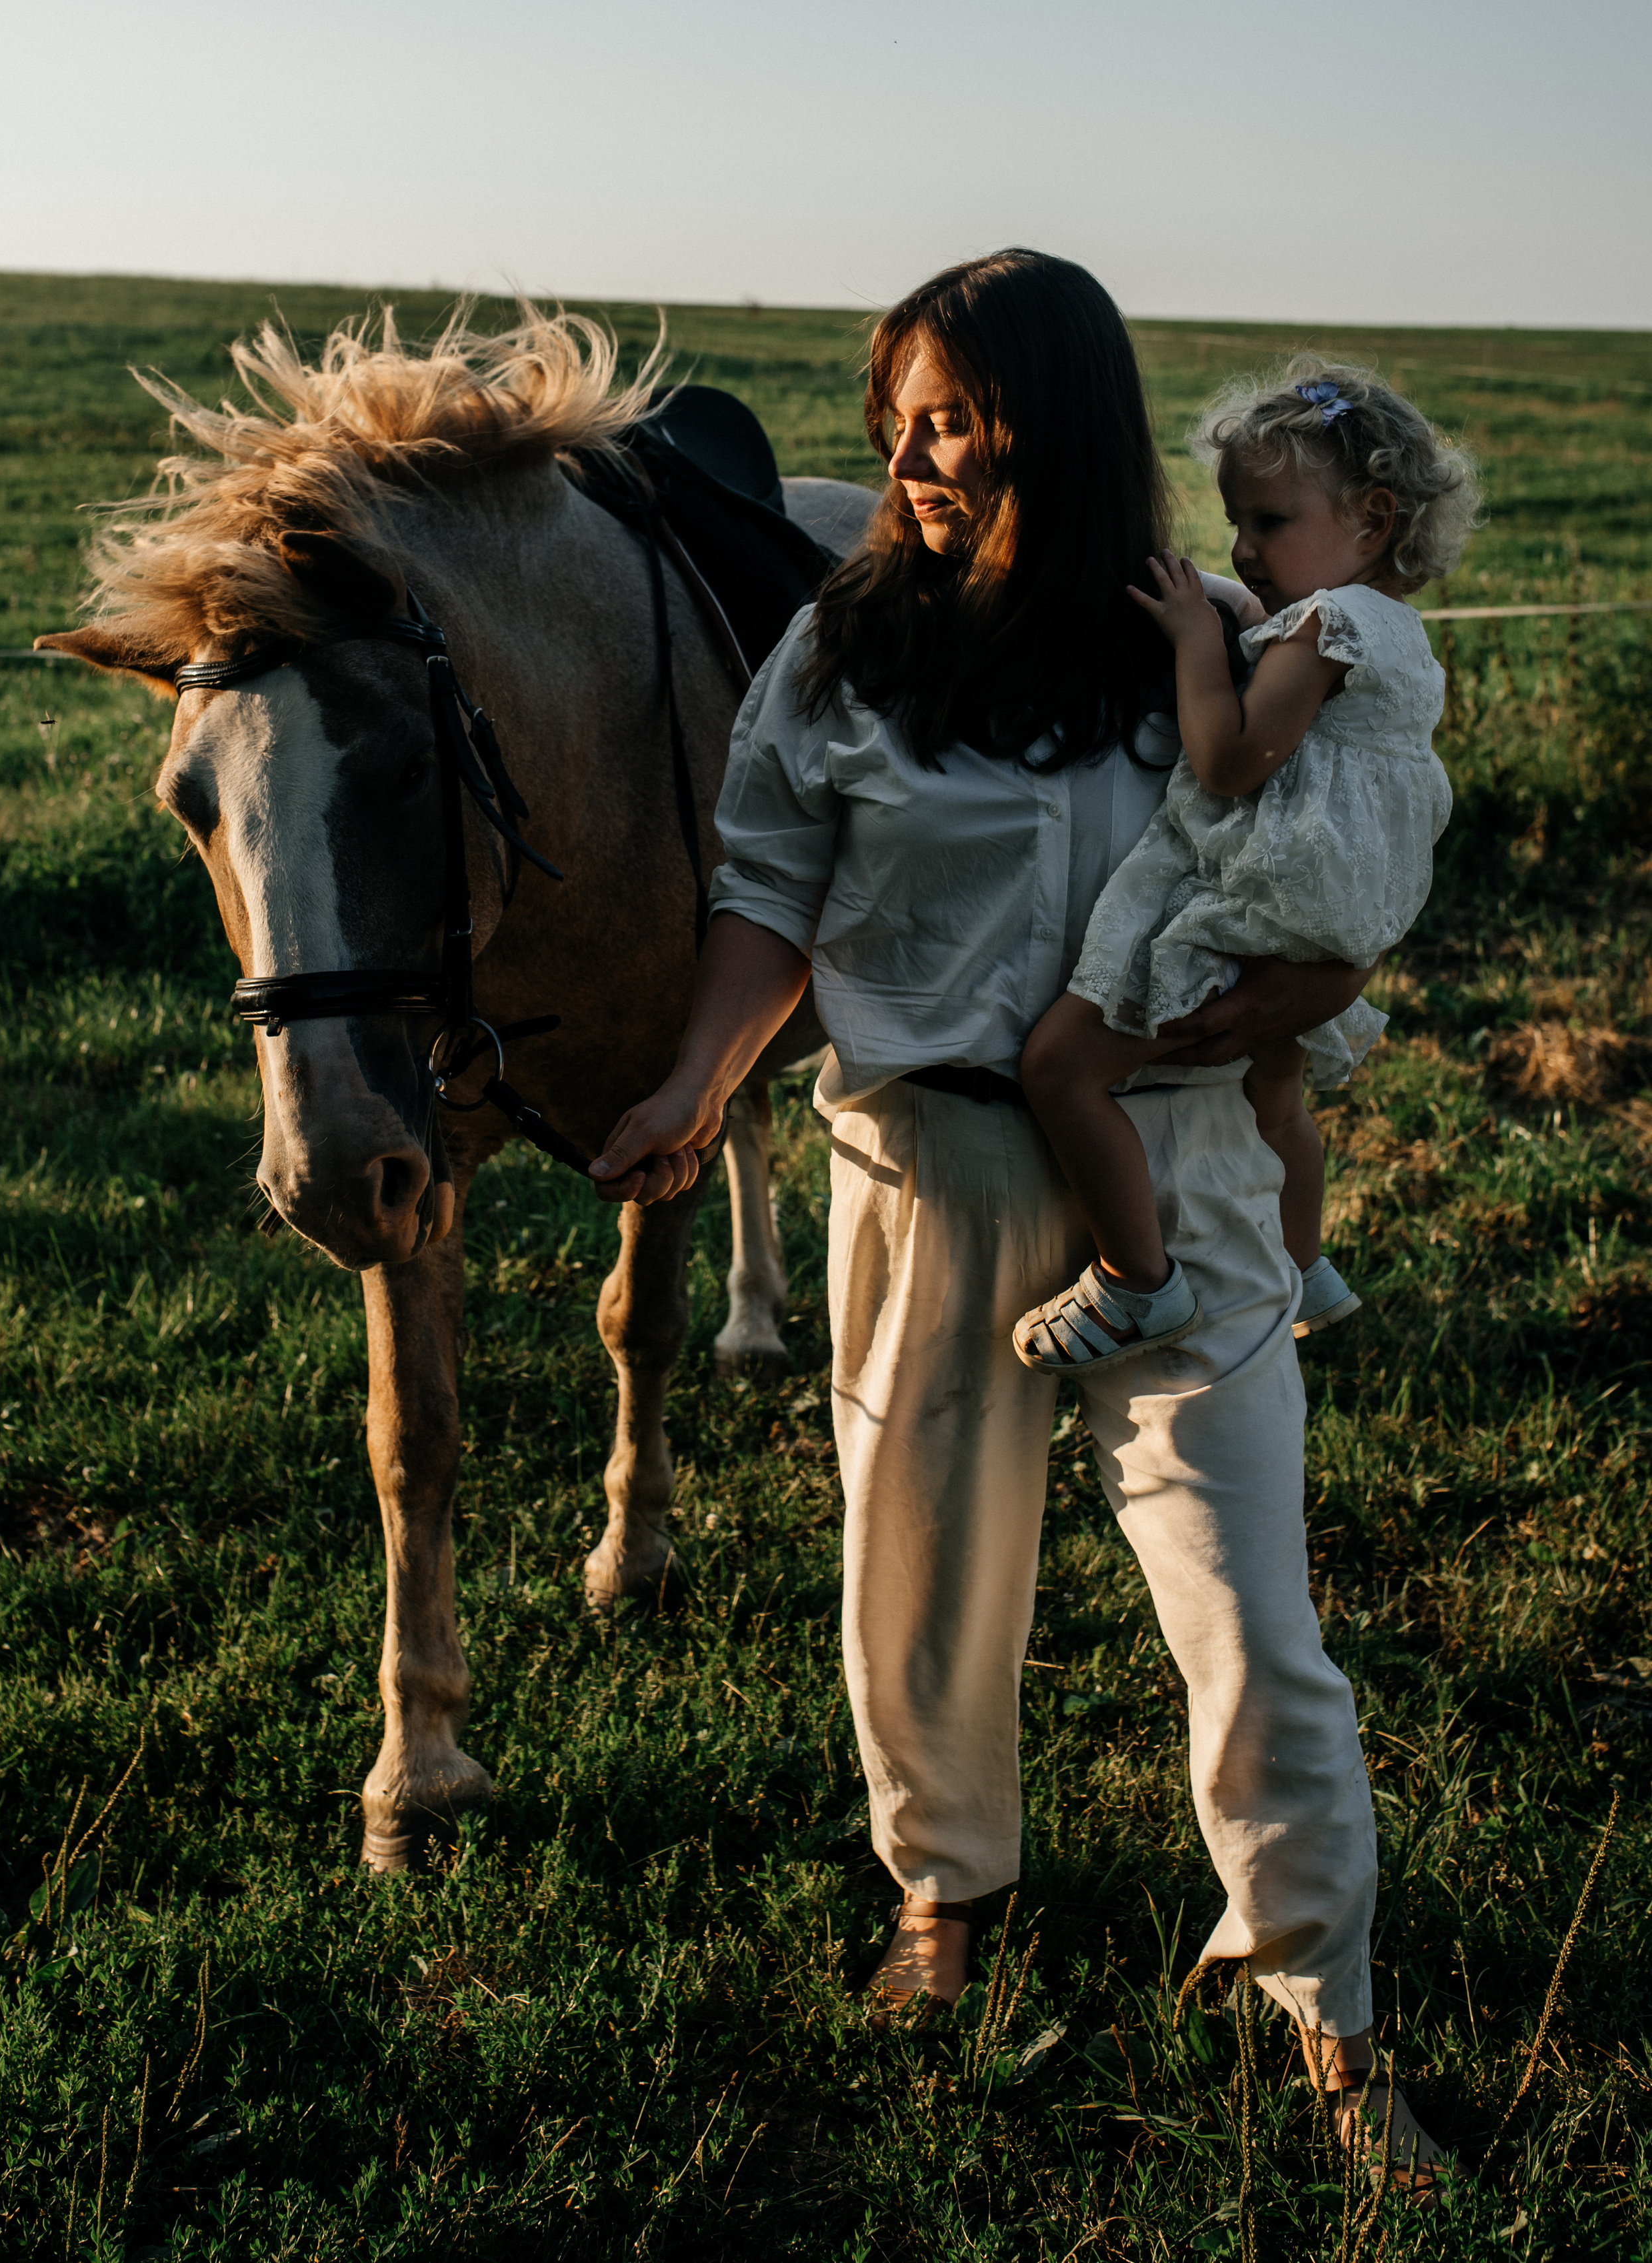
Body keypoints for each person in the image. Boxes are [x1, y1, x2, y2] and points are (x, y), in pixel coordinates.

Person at [589, 251, 1445, 2187]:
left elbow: (1351, 846)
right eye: (896, 410)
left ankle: (1328, 2005)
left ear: (1054, 426)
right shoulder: (843, 649)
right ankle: (943, 1895)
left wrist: (1317, 996)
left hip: (1186, 1175)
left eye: (954, 415)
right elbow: (768, 888)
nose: (909, 450)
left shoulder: (1219, 633)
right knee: (921, 1583)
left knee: (1255, 1623)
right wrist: (693, 1082)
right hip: (932, 1170)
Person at [1012, 364, 1476, 1378]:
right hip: (1334, 912)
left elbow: (1230, 761)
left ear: (1373, 517)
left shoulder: (1325, 625)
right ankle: (1303, 1265)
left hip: (1262, 903)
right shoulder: (1406, 637)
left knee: (1060, 1066)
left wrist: (1194, 642)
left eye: (1268, 521)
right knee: (1276, 1098)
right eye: (1234, 522)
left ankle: (1139, 1281)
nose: (1240, 549)